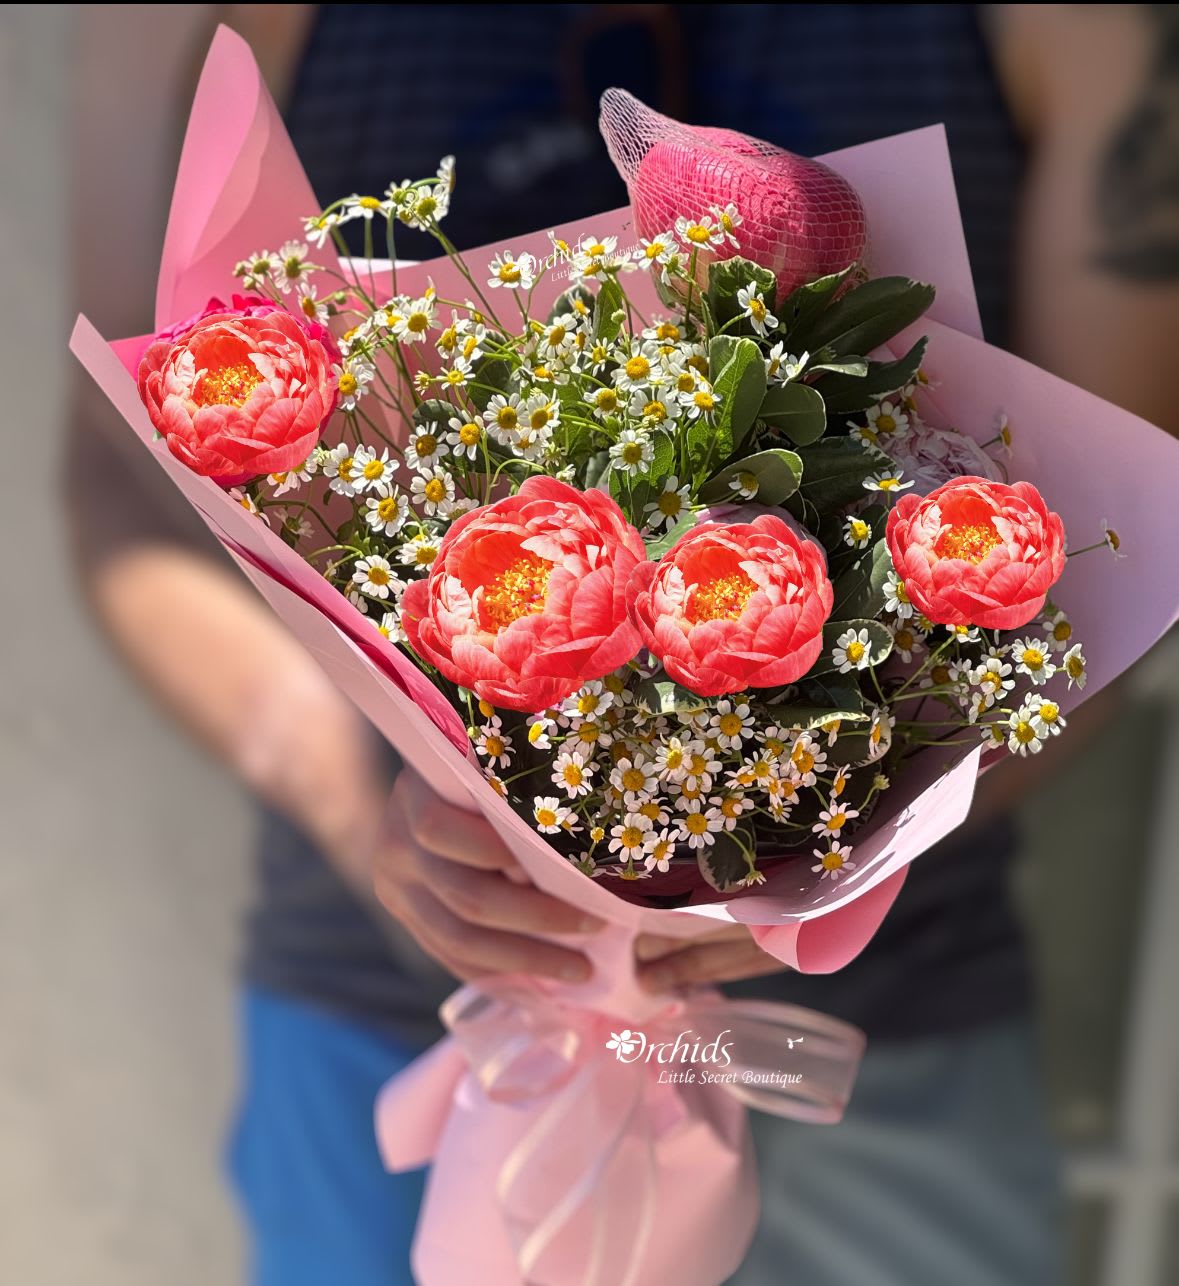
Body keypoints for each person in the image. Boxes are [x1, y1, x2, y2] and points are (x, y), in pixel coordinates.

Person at [67, 6, 1179, 1285]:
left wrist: (818, 867)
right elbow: (122, 486)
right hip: (405, 1008)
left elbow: (1113, 534)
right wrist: (367, 791)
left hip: (880, 1039)